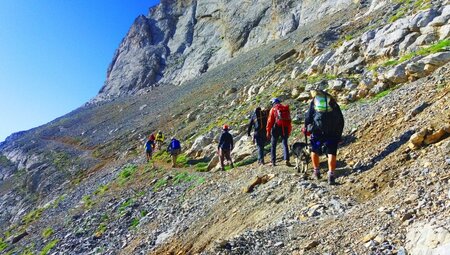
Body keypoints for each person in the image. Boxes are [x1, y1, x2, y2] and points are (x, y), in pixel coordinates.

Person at [303, 89, 344, 185]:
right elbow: (340, 119)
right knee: (331, 152)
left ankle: (316, 172)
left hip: (317, 131)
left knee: (314, 150)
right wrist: (339, 134)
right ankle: (331, 175)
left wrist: (307, 126)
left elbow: (308, 117)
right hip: (332, 131)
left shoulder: (314, 102)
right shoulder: (333, 102)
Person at [266, 98, 292, 167]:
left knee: (273, 145)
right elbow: (289, 121)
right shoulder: (284, 108)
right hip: (285, 128)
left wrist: (268, 131)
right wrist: (289, 131)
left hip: (276, 128)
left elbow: (270, 121)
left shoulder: (273, 109)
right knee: (285, 143)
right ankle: (286, 159)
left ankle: (273, 161)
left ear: (273, 103)